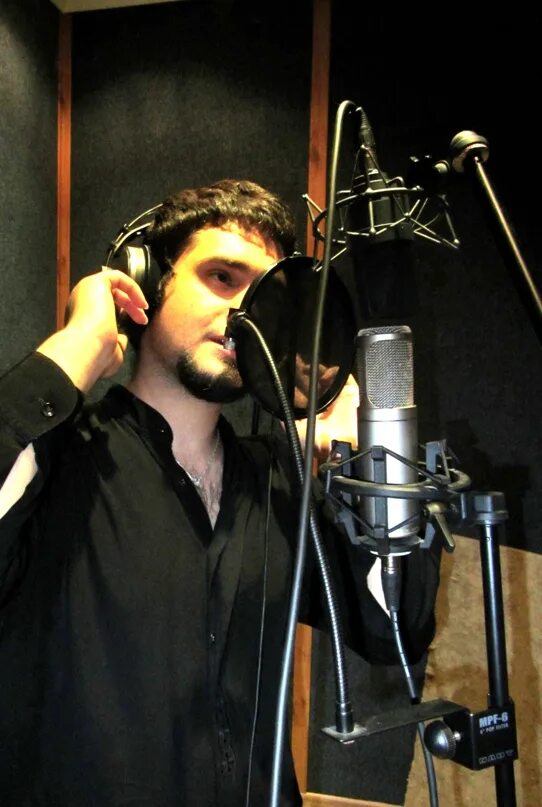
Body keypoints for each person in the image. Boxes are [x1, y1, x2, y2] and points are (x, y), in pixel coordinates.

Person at [0, 179, 440, 806]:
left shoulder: (280, 481)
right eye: (222, 278)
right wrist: (79, 344)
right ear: (147, 282)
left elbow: (394, 629)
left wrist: (363, 470)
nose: (244, 312)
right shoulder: (59, 459)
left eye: (263, 295)